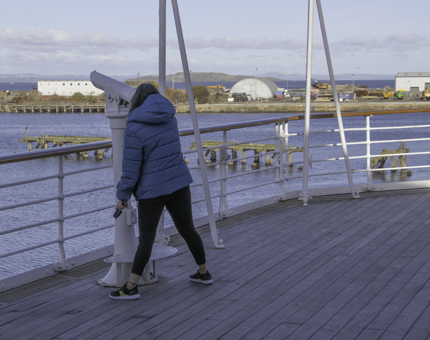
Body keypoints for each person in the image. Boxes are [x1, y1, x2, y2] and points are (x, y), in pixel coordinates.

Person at [109, 83, 212, 300]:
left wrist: (122, 196)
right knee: (188, 229)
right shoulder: (170, 118)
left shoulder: (134, 128)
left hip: (152, 190)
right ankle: (204, 273)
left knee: (146, 240)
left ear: (136, 101)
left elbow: (130, 169)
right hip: (178, 182)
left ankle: (130, 287)